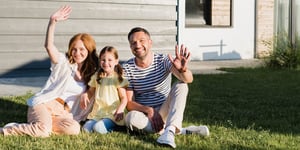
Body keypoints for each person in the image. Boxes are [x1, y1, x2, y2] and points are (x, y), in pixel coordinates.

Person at [0, 5, 98, 137]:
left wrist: (86, 92)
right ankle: (6, 130)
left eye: (82, 49)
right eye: (74, 49)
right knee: (43, 132)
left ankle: (38, 125)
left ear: (89, 50)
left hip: (64, 113)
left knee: (73, 129)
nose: (77, 53)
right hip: (45, 104)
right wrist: (52, 22)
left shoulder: (92, 73)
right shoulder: (63, 63)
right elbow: (49, 46)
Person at [123, 27, 209, 148]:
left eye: (142, 40)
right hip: (145, 115)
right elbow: (129, 103)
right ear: (130, 47)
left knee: (181, 85)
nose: (138, 45)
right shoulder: (127, 68)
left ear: (150, 42)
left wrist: (182, 70)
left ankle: (169, 132)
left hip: (165, 111)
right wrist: (149, 111)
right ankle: (177, 130)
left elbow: (188, 79)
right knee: (130, 118)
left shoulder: (162, 60)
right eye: (133, 43)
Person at [80, 46, 129, 134]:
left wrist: (121, 109)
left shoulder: (118, 78)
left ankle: (116, 127)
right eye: (103, 60)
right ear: (99, 61)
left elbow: (124, 97)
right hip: (98, 112)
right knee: (86, 129)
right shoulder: (96, 76)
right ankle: (102, 125)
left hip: (113, 114)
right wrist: (85, 95)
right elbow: (91, 91)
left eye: (110, 60)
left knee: (98, 129)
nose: (106, 63)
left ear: (116, 61)